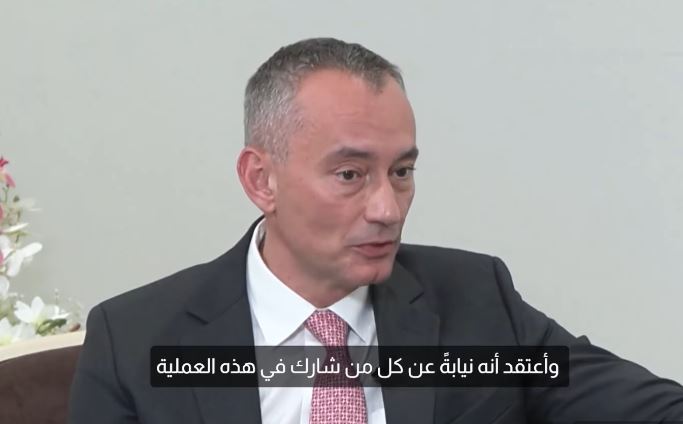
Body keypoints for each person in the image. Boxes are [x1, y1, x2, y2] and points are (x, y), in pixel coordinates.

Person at [69, 37, 683, 423]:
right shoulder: (135, 340)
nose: (387, 208)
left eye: (402, 171)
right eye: (350, 174)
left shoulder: (475, 299)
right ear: (262, 180)